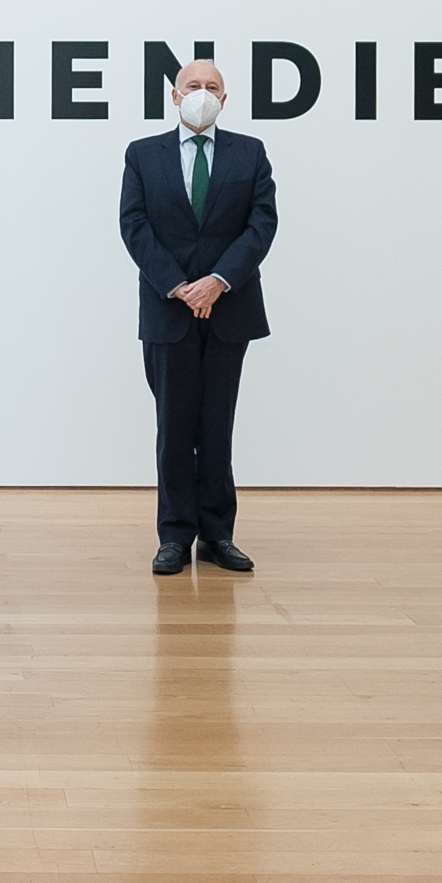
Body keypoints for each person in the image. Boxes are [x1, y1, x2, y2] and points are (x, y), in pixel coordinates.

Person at [118, 60, 279, 575]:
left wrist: (218, 280)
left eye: (212, 87)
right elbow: (134, 225)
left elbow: (261, 223)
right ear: (174, 95)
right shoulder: (143, 154)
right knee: (173, 426)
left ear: (224, 100)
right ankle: (173, 536)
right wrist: (179, 285)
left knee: (216, 426)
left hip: (229, 308)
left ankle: (217, 535)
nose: (202, 93)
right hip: (168, 308)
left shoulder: (250, 153)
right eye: (193, 86)